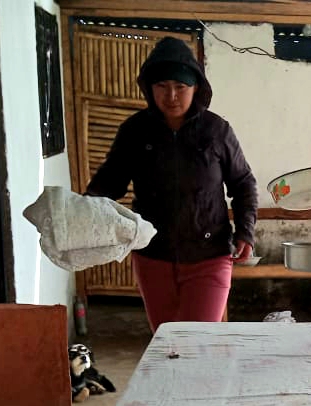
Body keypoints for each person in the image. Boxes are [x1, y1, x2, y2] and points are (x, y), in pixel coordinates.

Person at [87, 37, 257, 331]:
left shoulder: (216, 131)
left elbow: (243, 183)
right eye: (162, 86)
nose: (171, 96)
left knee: (198, 341)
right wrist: (80, 207)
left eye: (181, 86)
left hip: (210, 254)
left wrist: (246, 231)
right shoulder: (135, 131)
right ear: (149, 88)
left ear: (196, 88)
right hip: (153, 256)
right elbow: (109, 182)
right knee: (167, 342)